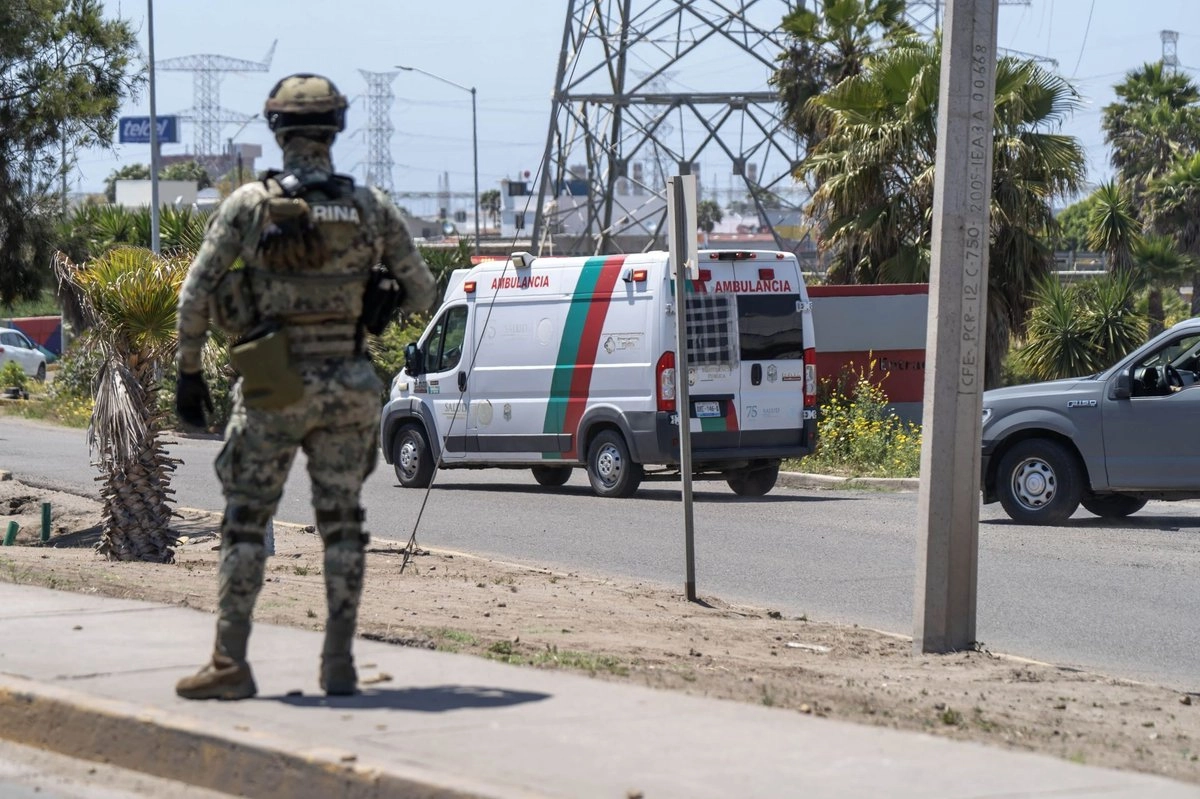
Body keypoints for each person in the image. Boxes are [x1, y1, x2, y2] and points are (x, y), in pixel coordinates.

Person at [173, 73, 437, 699]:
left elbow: (195, 294)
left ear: (277, 130)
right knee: (342, 522)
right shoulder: (371, 207)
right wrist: (380, 303)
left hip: (272, 388)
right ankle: (338, 664)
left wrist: (188, 372)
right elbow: (423, 291)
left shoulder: (248, 206)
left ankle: (230, 663)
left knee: (244, 522)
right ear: (335, 129)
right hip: (349, 385)